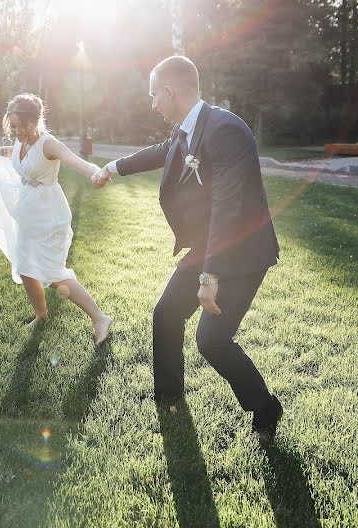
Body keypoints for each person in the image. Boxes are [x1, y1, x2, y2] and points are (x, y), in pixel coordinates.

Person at [92, 56, 283, 443]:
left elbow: (226, 209)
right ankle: (169, 398)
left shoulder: (226, 130)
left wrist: (209, 277)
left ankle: (265, 407)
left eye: (153, 96)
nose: (152, 104)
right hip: (209, 243)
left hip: (242, 252)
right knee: (166, 313)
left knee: (211, 340)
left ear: (169, 91)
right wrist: (113, 167)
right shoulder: (187, 128)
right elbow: (162, 151)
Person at [0, 93, 112, 345]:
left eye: (19, 126)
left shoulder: (47, 143)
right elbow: (8, 151)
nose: (15, 131)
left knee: (52, 274)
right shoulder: (22, 141)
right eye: (13, 126)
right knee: (24, 266)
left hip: (48, 217)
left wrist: (96, 173)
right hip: (27, 214)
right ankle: (41, 316)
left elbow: (76, 161)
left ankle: (100, 318)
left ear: (34, 121)